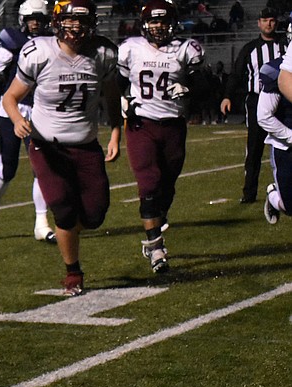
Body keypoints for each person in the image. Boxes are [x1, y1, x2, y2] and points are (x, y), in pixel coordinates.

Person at [1, 0, 121, 297]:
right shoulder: (39, 52)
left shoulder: (102, 53)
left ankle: (71, 235)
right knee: (63, 209)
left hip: (86, 145)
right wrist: (17, 120)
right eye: (69, 20)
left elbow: (112, 97)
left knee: (95, 214)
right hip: (47, 146)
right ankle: (73, 272)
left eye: (81, 21)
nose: (75, 27)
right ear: (57, 21)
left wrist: (116, 132)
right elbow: (9, 97)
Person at [118, 0, 207, 273]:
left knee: (166, 185)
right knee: (148, 183)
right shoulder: (130, 48)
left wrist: (188, 89)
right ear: (145, 24)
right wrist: (119, 101)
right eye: (154, 21)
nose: (159, 27)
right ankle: (156, 248)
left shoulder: (185, 50)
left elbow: (204, 84)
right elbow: (117, 81)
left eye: (163, 21)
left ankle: (157, 221)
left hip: (173, 125)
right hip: (140, 123)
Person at [0, 0, 57, 244]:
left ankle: (41, 224)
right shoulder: (13, 43)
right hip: (11, 111)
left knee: (41, 169)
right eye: (31, 19)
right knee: (7, 170)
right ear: (22, 20)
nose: (35, 24)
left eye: (39, 20)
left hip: (39, 112)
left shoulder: (51, 42)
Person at [220, 7, 287, 204]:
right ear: (258, 23)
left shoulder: (285, 46)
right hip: (257, 101)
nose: (269, 23)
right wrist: (227, 96)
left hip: (283, 100)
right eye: (265, 20)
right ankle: (249, 193)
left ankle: (284, 188)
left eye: (272, 20)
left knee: (285, 144)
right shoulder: (249, 48)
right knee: (254, 148)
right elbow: (236, 74)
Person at [257, 56, 292, 223]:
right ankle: (273, 195)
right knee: (290, 207)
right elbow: (263, 116)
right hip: (286, 147)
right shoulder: (276, 70)